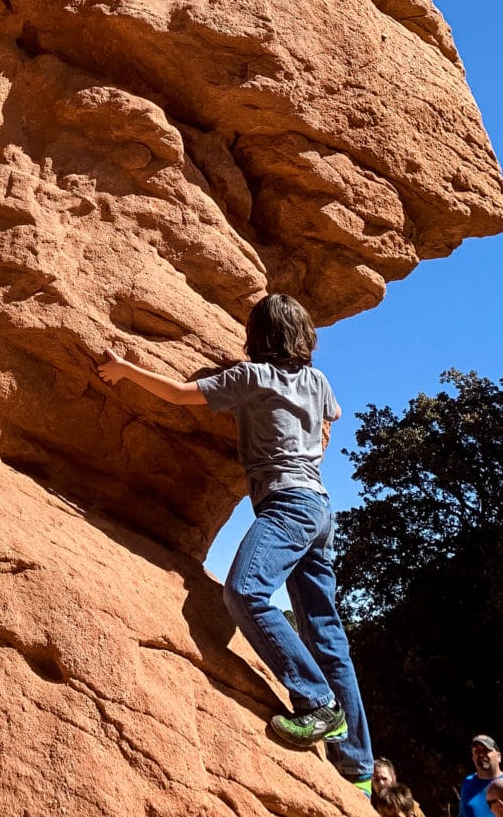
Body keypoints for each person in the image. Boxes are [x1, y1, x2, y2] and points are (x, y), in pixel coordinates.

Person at [98, 292, 373, 791]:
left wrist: (125, 370)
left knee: (244, 590)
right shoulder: (318, 381)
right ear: (303, 336)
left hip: (287, 505)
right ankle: (358, 771)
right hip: (319, 506)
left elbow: (182, 395)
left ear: (258, 336)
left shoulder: (252, 378)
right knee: (326, 633)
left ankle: (317, 702)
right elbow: (331, 424)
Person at [372, 756, 440, 817]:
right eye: (376, 780)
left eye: (384, 779)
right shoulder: (370, 808)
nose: (381, 784)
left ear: (393, 779)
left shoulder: (410, 807)